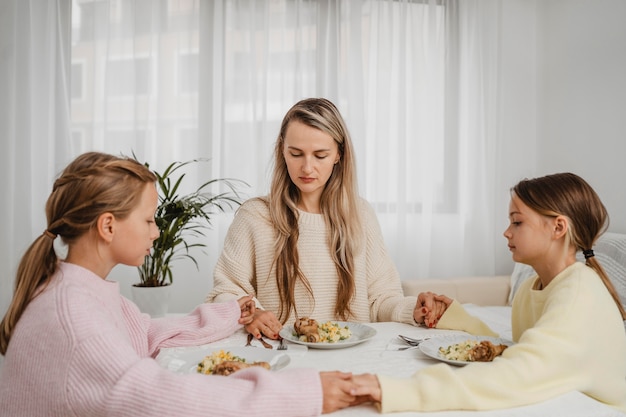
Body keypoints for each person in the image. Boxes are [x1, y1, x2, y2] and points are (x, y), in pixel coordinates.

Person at [0, 151, 362, 417]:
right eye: (148, 220)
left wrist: (229, 313)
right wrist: (305, 393)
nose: (157, 232)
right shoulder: (75, 319)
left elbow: (144, 333)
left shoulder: (77, 291)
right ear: (108, 226)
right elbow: (162, 397)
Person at [351, 172, 626, 413]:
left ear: (558, 227)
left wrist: (397, 391)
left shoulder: (578, 294)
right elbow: (520, 351)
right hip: (562, 398)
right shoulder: (532, 289)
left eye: (517, 222)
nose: (506, 232)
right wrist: (457, 318)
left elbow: (517, 373)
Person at [206, 98, 423, 340]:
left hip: (351, 360)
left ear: (338, 155)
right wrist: (252, 312)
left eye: (320, 155)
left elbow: (380, 298)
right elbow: (225, 291)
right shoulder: (255, 216)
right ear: (282, 151)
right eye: (296, 154)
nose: (307, 168)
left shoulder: (361, 214)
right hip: (283, 357)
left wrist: (415, 309)